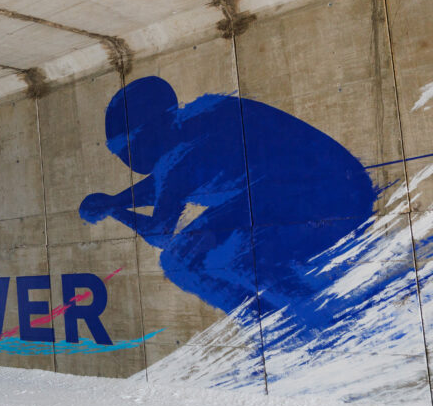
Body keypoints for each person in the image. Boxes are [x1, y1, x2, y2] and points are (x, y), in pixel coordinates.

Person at [80, 76, 376, 347]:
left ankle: (318, 321)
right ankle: (279, 321)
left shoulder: (181, 154)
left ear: (147, 133)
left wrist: (115, 211)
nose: (125, 157)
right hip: (320, 186)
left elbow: (160, 232)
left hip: (322, 195)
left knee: (209, 257)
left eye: (126, 147)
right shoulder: (201, 118)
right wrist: (114, 201)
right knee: (189, 255)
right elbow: (164, 184)